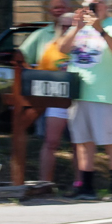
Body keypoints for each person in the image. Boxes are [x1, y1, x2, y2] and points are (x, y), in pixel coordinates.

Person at [55, 0, 112, 200]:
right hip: (80, 92)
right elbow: (62, 49)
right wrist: (76, 28)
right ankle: (86, 187)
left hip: (105, 93)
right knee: (83, 141)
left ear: (106, 6)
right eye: (88, 4)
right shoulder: (79, 27)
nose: (92, 8)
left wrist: (100, 29)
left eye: (97, 3)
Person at [36, 12, 76, 187]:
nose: (66, 29)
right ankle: (44, 183)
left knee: (79, 144)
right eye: (63, 26)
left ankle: (80, 184)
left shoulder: (87, 46)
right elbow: (41, 74)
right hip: (57, 100)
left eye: (70, 26)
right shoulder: (51, 47)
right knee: (51, 142)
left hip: (79, 101)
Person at [19, 0, 70, 67]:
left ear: (69, 10)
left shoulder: (80, 34)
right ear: (50, 11)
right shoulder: (40, 34)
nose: (59, 10)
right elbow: (21, 58)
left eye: (62, 7)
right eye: (56, 8)